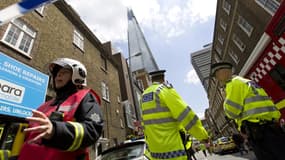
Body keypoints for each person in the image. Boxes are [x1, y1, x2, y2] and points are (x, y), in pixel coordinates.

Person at [17, 58, 104, 160]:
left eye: (64, 72)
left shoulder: (84, 97)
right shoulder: (44, 106)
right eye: (57, 73)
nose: (58, 75)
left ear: (78, 75)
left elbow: (92, 129)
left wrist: (55, 131)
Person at [211, 61, 285, 160]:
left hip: (260, 133)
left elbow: (232, 112)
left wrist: (225, 98)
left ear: (222, 72)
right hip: (272, 128)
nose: (216, 79)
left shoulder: (233, 84)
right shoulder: (247, 81)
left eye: (216, 75)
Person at [141, 69, 208, 160]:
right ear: (164, 79)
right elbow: (186, 116)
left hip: (156, 155)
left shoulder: (143, 97)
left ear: (151, 80)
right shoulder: (163, 90)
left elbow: (145, 127)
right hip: (175, 152)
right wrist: (203, 136)